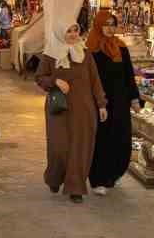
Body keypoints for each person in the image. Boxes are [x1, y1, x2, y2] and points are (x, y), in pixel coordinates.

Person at [36, 20, 107, 203]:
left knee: (80, 148)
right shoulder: (51, 54)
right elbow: (40, 77)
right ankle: (55, 177)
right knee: (59, 148)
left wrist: (101, 104)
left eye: (76, 30)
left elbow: (95, 81)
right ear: (61, 33)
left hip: (84, 109)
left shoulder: (85, 53)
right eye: (69, 31)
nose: (74, 34)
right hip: (59, 109)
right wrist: (55, 81)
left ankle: (76, 187)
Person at [86, 11, 141, 194]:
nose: (110, 28)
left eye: (113, 24)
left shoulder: (121, 47)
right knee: (101, 140)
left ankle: (113, 174)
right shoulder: (91, 49)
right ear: (98, 25)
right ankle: (98, 178)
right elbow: (87, 78)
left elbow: (129, 75)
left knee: (121, 138)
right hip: (99, 102)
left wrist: (134, 98)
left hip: (120, 102)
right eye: (106, 24)